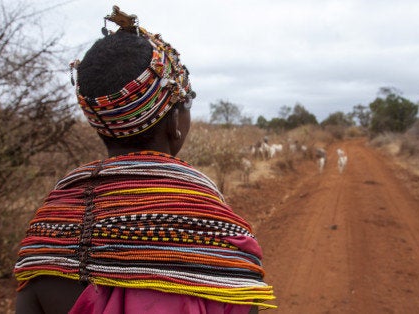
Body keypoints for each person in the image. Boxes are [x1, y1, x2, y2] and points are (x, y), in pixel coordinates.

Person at [14, 6, 274, 313]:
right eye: (187, 100)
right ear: (175, 124)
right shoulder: (223, 237)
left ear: (98, 122)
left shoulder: (47, 232)